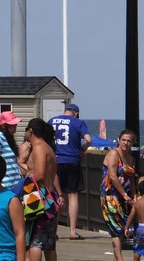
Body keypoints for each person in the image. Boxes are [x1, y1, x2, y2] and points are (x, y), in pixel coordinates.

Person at [48, 103, 92, 240]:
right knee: (72, 196)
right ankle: (72, 231)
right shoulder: (78, 122)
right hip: (72, 160)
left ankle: (53, 229)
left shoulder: (52, 121)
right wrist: (83, 150)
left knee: (55, 195)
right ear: (76, 113)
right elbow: (88, 139)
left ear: (65, 111)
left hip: (55, 161)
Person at [26, 118, 61, 261]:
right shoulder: (48, 148)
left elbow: (39, 174)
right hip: (49, 197)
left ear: (31, 131)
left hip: (39, 198)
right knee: (49, 243)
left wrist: (23, 182)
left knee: (36, 241)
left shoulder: (40, 147)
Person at [100, 129, 137, 261]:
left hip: (124, 198)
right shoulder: (113, 154)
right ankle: (120, 258)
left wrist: (134, 196)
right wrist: (124, 194)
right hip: (110, 195)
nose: (126, 143)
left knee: (122, 228)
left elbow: (132, 179)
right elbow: (113, 177)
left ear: (132, 143)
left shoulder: (131, 158)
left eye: (129, 141)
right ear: (119, 140)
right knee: (115, 228)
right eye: (124, 140)